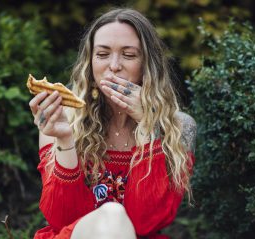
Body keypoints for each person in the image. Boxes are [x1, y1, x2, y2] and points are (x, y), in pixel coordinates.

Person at [28, 8, 197, 239]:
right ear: (90, 62)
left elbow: (145, 222)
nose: (114, 65)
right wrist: (65, 138)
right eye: (102, 54)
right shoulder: (64, 119)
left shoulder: (179, 126)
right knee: (112, 214)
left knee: (115, 216)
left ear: (148, 64)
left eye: (128, 55)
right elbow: (62, 218)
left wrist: (148, 125)